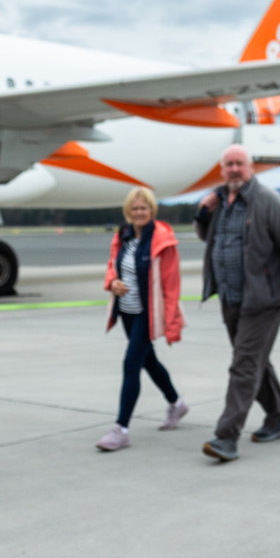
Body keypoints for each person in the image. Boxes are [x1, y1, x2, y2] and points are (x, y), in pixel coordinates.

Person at [194, 145, 280, 462]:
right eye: (229, 164)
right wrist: (203, 213)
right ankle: (278, 417)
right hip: (230, 298)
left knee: (244, 366)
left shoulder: (267, 201)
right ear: (222, 169)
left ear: (251, 168)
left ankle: (226, 437)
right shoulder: (218, 202)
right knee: (254, 361)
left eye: (240, 164)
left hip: (263, 300)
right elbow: (208, 238)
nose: (234, 169)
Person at [97, 186, 187, 451]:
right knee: (148, 361)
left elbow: (171, 285)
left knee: (131, 364)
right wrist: (112, 282)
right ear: (128, 211)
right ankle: (177, 403)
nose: (139, 212)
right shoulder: (122, 236)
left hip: (149, 312)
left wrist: (172, 322)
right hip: (127, 310)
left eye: (143, 208)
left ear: (151, 210)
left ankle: (121, 429)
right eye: (135, 208)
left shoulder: (162, 239)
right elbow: (112, 266)